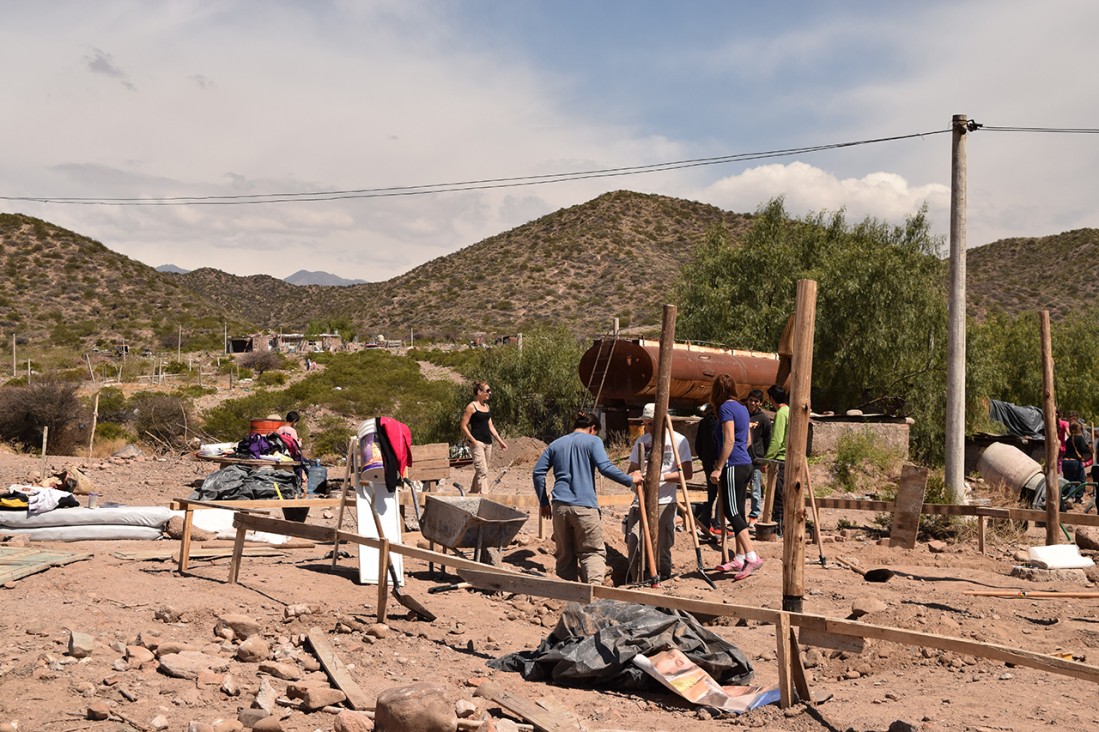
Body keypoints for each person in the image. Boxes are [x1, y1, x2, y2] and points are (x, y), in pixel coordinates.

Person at [533, 411, 643, 583]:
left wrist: (543, 502)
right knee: (592, 553)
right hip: (585, 508)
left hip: (559, 508)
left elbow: (538, 473)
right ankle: (594, 597)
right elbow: (605, 468)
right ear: (593, 428)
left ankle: (567, 598)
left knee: (565, 557)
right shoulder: (593, 441)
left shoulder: (556, 444)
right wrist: (630, 480)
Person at [624, 403, 693, 580]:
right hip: (641, 500)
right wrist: (636, 475)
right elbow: (631, 469)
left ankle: (663, 578)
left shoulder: (678, 440)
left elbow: (687, 473)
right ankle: (636, 579)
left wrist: (660, 477)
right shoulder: (642, 442)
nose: (648, 428)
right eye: (645, 424)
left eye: (651, 423)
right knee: (633, 541)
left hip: (665, 501)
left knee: (662, 545)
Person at [709, 374, 763, 580]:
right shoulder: (742, 408)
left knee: (731, 513)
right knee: (739, 511)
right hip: (746, 463)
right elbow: (747, 440)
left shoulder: (725, 408)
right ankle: (739, 557)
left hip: (733, 465)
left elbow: (729, 440)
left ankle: (752, 556)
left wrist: (719, 467)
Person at [460, 381, 508, 493]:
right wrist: (473, 440)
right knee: (482, 471)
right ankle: (485, 496)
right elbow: (463, 425)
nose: (489, 393)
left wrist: (500, 441)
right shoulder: (471, 407)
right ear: (479, 392)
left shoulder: (486, 407)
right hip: (477, 443)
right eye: (487, 390)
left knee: (481, 472)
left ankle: (472, 494)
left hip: (488, 443)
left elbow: (490, 426)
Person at [765, 385, 789, 535]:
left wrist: (767, 459)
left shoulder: (781, 413)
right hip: (791, 458)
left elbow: (777, 439)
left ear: (772, 399)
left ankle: (778, 527)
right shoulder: (790, 411)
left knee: (778, 495)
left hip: (781, 459)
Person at [694, 403, 721, 537]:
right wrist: (718, 461)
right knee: (721, 494)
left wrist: (704, 458)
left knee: (710, 494)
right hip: (718, 462)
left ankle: (705, 522)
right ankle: (718, 524)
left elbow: (697, 444)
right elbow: (718, 443)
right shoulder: (720, 423)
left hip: (707, 461)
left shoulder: (703, 422)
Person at [746, 390, 772, 525]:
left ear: (760, 403)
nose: (753, 403)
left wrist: (764, 459)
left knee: (755, 488)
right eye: (751, 400)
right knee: (741, 487)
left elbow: (768, 439)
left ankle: (754, 515)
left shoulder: (764, 419)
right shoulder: (743, 415)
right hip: (742, 457)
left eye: (756, 401)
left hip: (756, 459)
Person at [1063, 421, 1092, 485]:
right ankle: (1078, 495)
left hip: (1065, 462)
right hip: (1075, 463)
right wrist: (1090, 449)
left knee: (1069, 483)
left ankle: (1070, 494)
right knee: (1081, 482)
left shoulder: (1068, 440)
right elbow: (1084, 449)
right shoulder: (1080, 438)